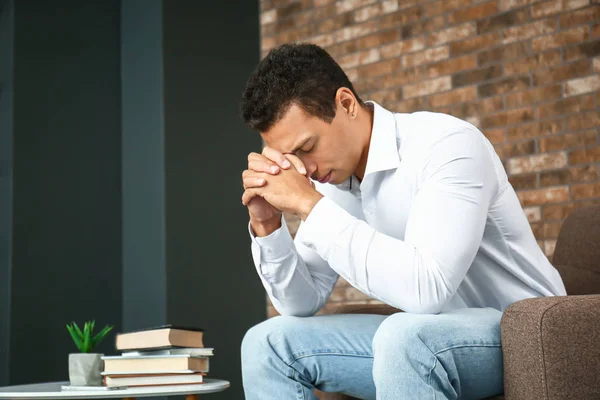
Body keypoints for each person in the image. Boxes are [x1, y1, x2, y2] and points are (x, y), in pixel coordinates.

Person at [238, 43, 566, 400]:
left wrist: (307, 204)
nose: (306, 169)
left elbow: (427, 290)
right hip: (425, 339)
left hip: (524, 334)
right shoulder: (332, 183)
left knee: (404, 336)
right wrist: (268, 226)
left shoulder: (446, 145)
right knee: (265, 343)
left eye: (307, 147)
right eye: (289, 156)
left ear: (345, 104)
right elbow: (300, 303)